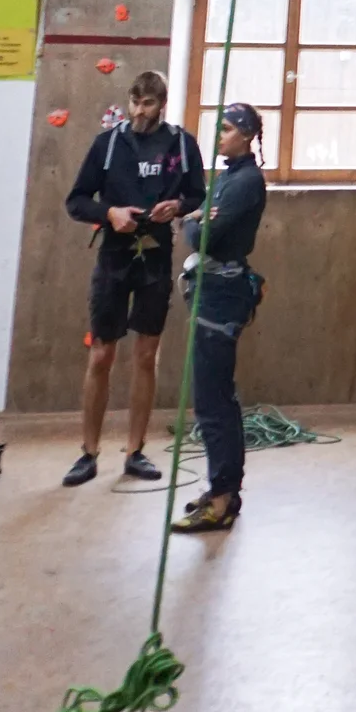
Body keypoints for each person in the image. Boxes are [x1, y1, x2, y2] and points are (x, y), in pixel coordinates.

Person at [62, 68, 206, 488]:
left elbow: (198, 194)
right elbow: (76, 201)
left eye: (148, 104)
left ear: (162, 104)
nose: (140, 111)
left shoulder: (181, 144)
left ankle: (135, 451)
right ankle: (88, 452)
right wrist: (109, 213)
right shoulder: (107, 145)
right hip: (113, 257)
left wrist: (176, 207)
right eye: (135, 102)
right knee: (101, 356)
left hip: (156, 260)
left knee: (146, 357)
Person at [170, 100, 269, 535]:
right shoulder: (229, 177)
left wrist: (192, 220)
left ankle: (224, 494)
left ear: (246, 135)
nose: (220, 135)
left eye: (227, 129)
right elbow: (200, 223)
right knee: (213, 399)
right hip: (214, 294)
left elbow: (203, 235)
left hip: (221, 297)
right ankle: (222, 489)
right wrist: (195, 217)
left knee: (213, 403)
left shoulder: (245, 182)